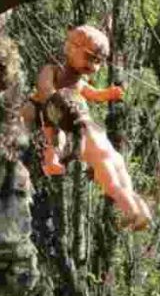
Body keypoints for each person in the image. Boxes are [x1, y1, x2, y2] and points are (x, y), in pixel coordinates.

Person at [32, 25, 151, 229]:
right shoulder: (63, 76)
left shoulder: (62, 107)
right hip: (102, 139)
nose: (94, 65)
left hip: (92, 142)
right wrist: (108, 94)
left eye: (98, 61)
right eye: (90, 57)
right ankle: (142, 212)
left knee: (112, 185)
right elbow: (92, 94)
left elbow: (53, 130)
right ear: (71, 49)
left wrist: (52, 159)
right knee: (122, 179)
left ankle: (131, 211)